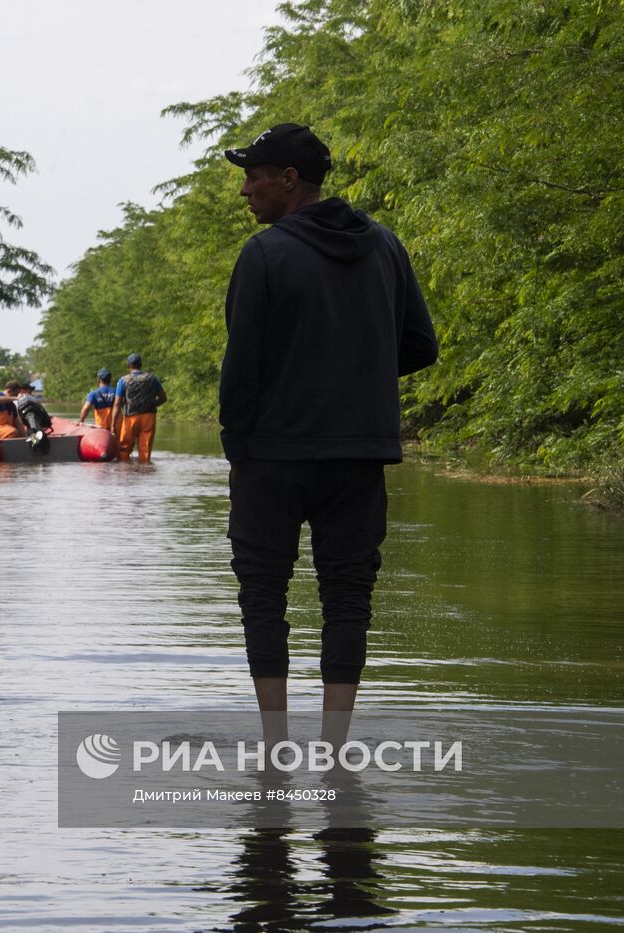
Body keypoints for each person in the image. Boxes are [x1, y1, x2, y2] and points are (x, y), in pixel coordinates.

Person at [219, 123, 438, 729]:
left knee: (264, 593)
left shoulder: (263, 255)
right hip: (360, 455)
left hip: (271, 456)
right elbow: (420, 345)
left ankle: (274, 744)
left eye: (252, 178)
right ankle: (338, 747)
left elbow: (240, 372)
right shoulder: (386, 246)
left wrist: (238, 450)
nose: (245, 192)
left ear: (289, 180)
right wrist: (355, 363)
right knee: (347, 596)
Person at [112, 353, 166, 462]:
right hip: (148, 416)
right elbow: (163, 398)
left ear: (128, 366)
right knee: (145, 448)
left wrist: (113, 425)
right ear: (141, 364)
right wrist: (151, 405)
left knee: (124, 448)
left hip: (130, 418)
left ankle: (125, 472)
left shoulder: (123, 380)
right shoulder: (152, 378)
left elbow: (117, 403)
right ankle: (145, 470)